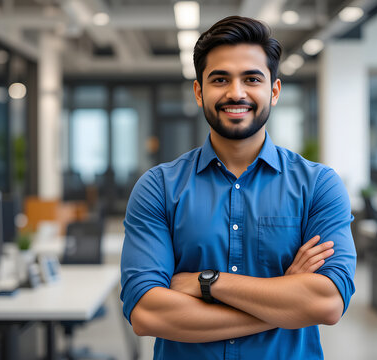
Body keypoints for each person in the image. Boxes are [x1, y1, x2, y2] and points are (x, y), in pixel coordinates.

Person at [120, 15, 356, 360]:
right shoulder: (158, 188)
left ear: (273, 91)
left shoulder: (318, 186)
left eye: (252, 79)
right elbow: (147, 313)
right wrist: (283, 302)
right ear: (199, 92)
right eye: (220, 79)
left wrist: (207, 282)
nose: (236, 93)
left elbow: (327, 302)